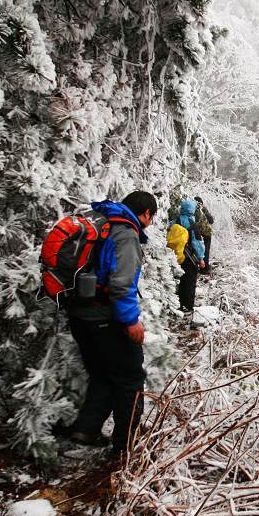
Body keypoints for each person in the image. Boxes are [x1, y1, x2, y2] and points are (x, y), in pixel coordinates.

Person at [61, 190, 157, 458]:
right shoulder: (126, 234)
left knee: (102, 373)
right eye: (152, 217)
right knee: (130, 379)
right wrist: (131, 321)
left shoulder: (100, 221)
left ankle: (86, 429)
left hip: (79, 316)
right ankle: (126, 446)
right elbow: (121, 283)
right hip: (105, 318)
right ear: (146, 213)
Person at [170, 199, 206, 312]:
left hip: (175, 256)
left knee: (179, 280)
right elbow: (198, 243)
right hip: (190, 258)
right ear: (192, 210)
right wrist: (201, 259)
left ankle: (177, 303)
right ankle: (188, 306)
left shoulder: (173, 222)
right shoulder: (192, 224)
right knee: (189, 281)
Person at [194, 196, 214, 273]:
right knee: (206, 250)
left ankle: (197, 265)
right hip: (206, 233)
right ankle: (204, 268)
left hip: (196, 232)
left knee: (196, 249)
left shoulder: (193, 210)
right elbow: (211, 220)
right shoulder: (203, 209)